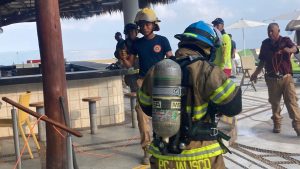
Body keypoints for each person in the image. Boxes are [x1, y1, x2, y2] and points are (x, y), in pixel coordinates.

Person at [138, 21, 242, 169]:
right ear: (208, 48)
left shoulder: (157, 70)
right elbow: (233, 107)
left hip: (163, 157)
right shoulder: (208, 71)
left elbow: (146, 107)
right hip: (202, 156)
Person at [120, 8, 173, 164]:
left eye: (147, 24)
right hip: (143, 82)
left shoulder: (163, 40)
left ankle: (166, 144)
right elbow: (130, 63)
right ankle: (147, 149)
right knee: (142, 115)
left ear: (154, 24)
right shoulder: (137, 44)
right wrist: (123, 58)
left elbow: (172, 60)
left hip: (162, 81)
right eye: (141, 24)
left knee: (165, 114)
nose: (144, 27)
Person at [250, 23, 300, 136]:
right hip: (272, 79)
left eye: (272, 31)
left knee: (292, 102)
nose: (270, 33)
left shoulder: (285, 40)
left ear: (279, 30)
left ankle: (298, 126)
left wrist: (289, 50)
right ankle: (277, 123)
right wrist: (255, 73)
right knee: (275, 103)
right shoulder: (265, 43)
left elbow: (295, 49)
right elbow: (262, 61)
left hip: (286, 78)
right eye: (268, 31)